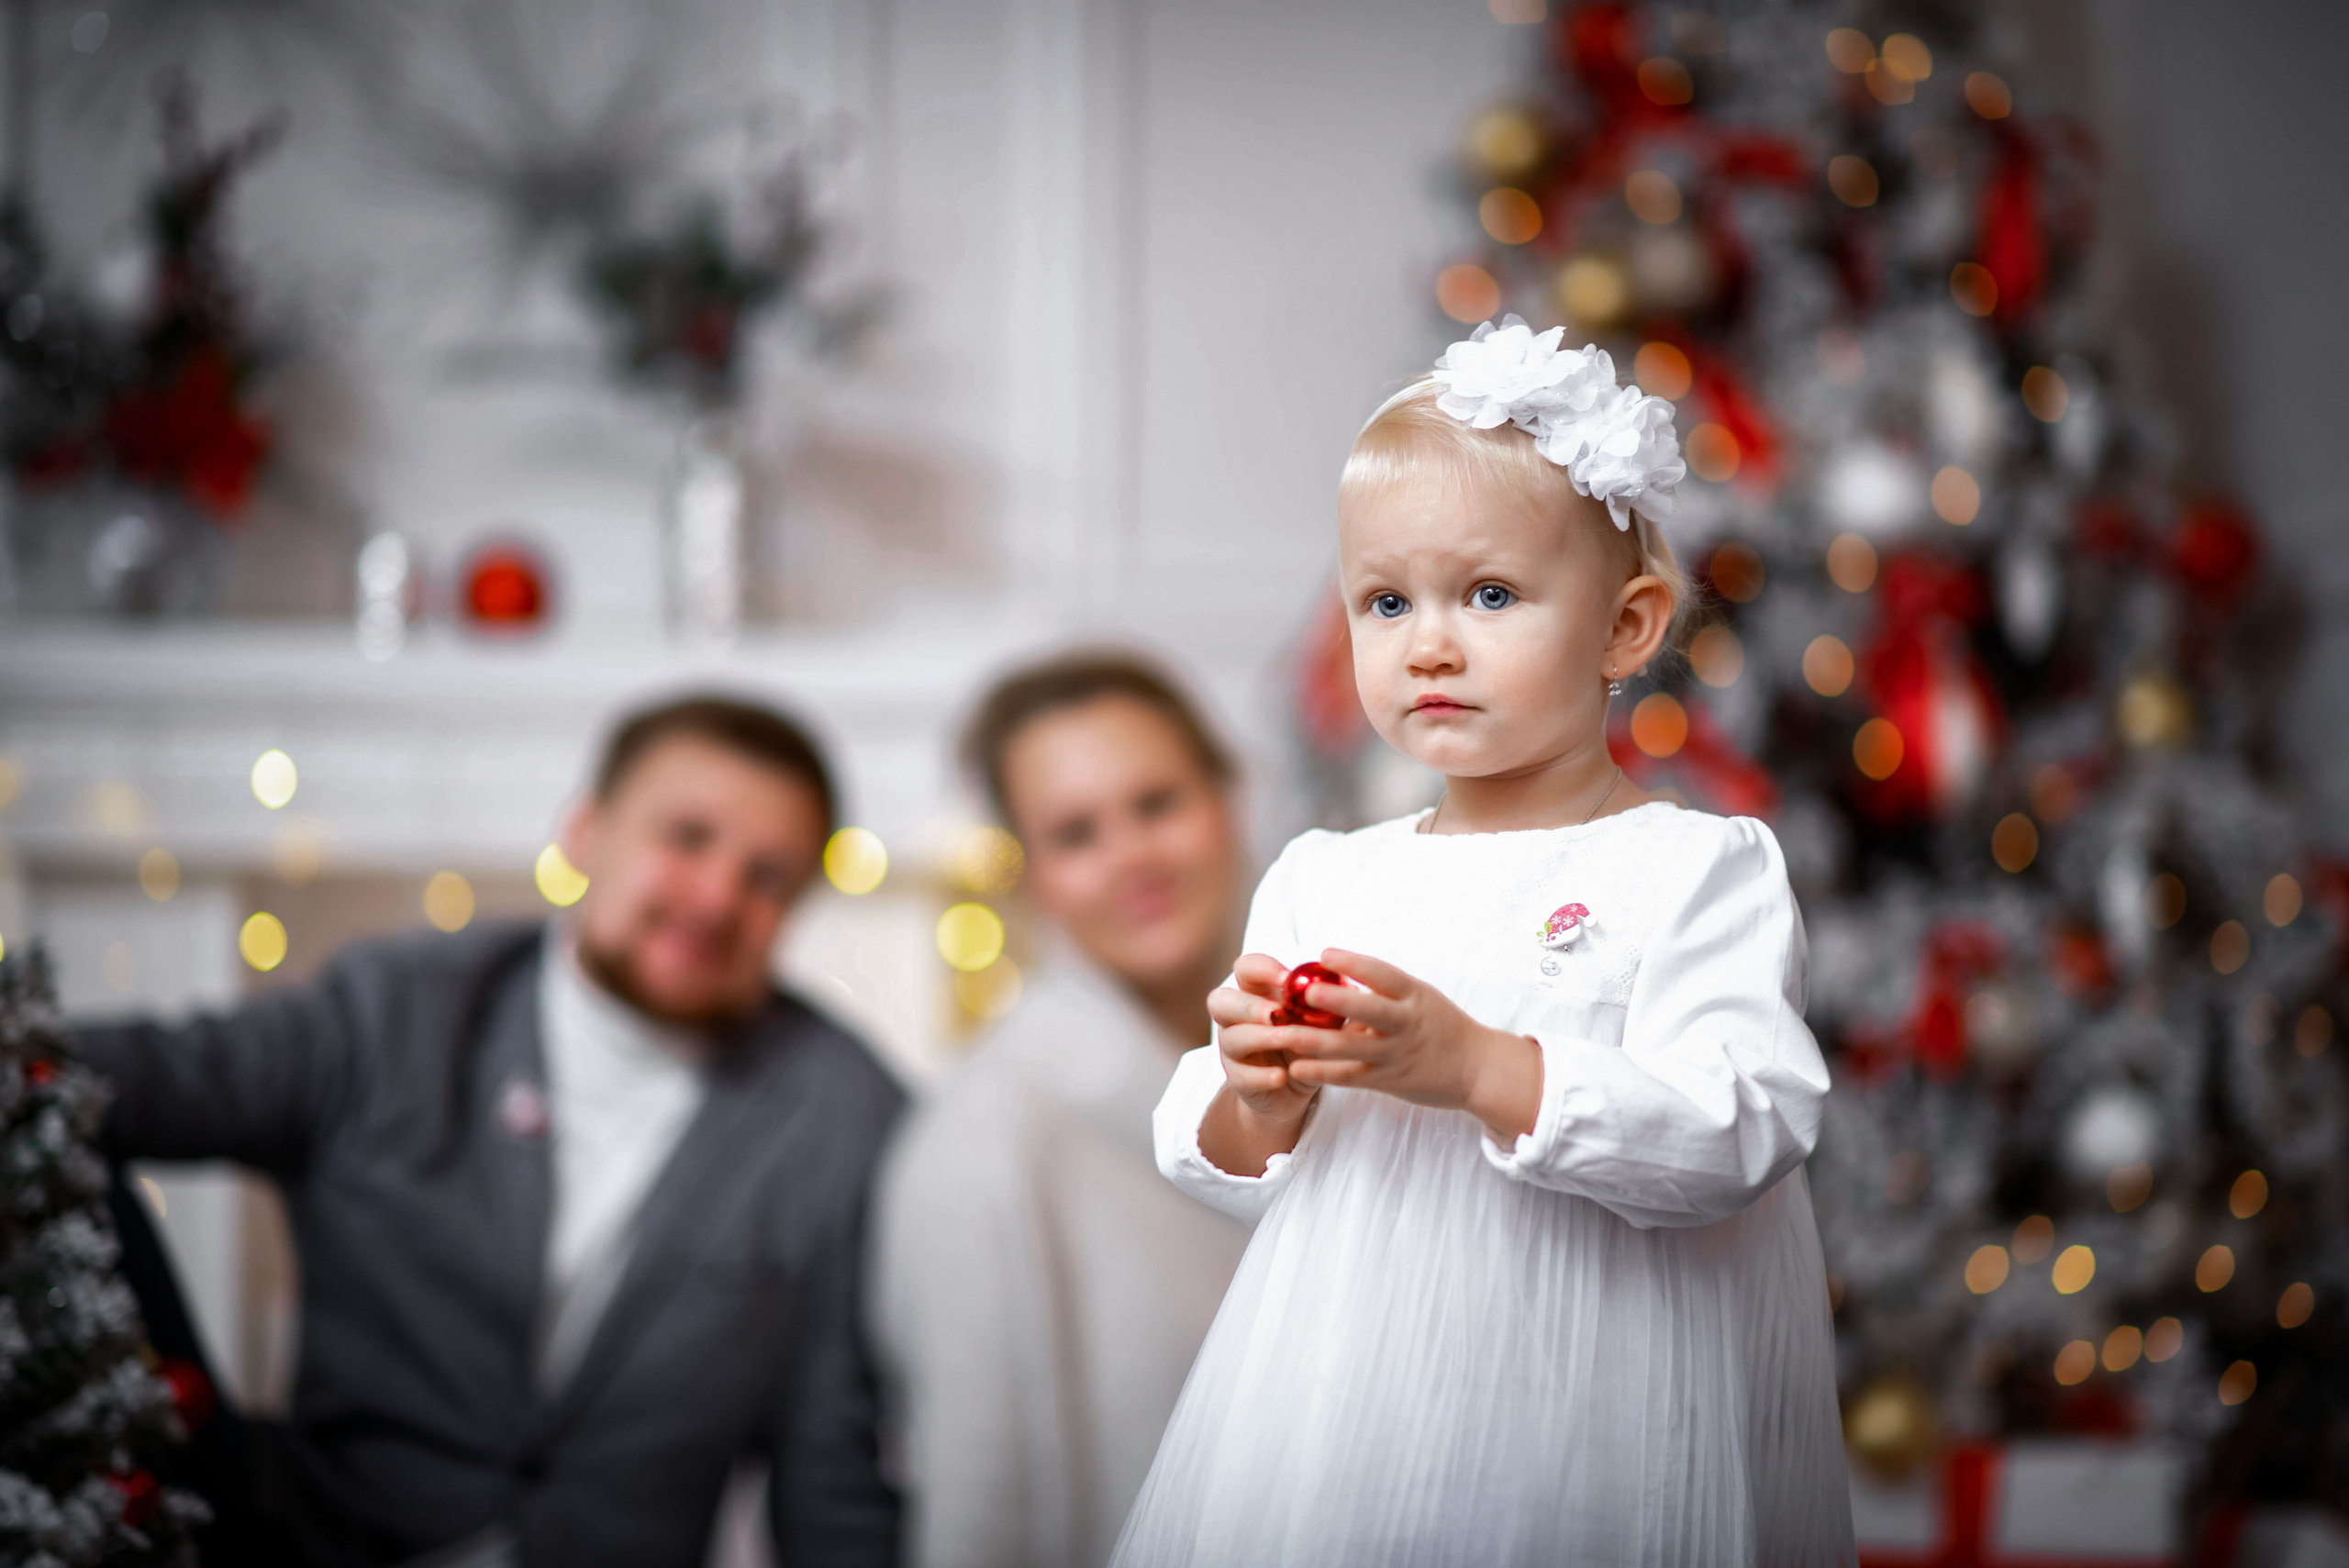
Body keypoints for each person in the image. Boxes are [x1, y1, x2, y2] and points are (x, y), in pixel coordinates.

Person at [1113, 320, 1854, 1567]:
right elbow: (1225, 1159)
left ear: (1627, 631)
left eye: (1490, 594)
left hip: (1597, 1406)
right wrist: (1256, 1090)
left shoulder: (1691, 871)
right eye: (1385, 600)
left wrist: (1478, 1070)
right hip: (1348, 1413)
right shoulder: (1329, 876)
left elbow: (1744, 1127)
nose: (1429, 643)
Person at [75, 695, 905, 1568]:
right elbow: (99, 1085)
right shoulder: (394, 1010)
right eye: (687, 837)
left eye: (768, 876)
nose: (716, 896)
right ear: (584, 833)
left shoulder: (842, 1111)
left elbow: (833, 1467)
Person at [870, 653, 1253, 1568]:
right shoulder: (982, 1145)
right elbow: (978, 1512)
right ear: (1027, 872)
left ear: (1227, 801)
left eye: (1158, 803)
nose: (1134, 857)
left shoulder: (1347, 1062)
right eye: (1076, 833)